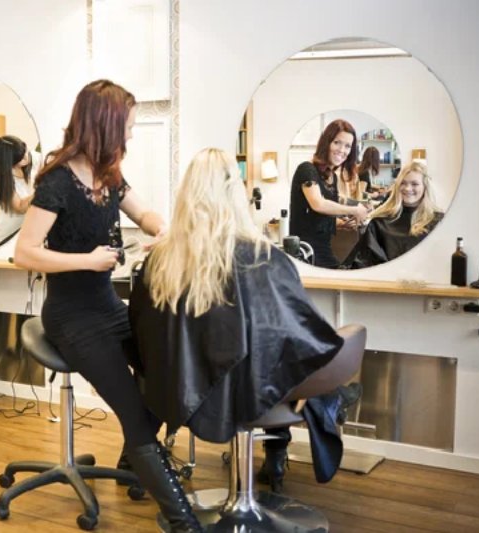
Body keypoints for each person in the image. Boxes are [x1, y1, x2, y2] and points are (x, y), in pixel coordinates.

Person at [13, 80, 202, 532]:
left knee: (167, 378)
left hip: (109, 308)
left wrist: (163, 230)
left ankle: (133, 462)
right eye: (129, 127)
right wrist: (89, 260)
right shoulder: (56, 182)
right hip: (72, 317)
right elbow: (25, 252)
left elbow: (145, 213)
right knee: (136, 416)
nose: (131, 136)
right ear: (105, 126)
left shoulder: (110, 176)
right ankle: (183, 522)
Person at [129, 149, 351, 498]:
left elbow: (143, 337)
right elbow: (294, 334)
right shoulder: (264, 258)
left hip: (188, 388)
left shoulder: (160, 260)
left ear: (186, 195)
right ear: (236, 193)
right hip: (256, 388)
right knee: (291, 355)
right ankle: (279, 452)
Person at [289, 119, 370, 268]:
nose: (342, 150)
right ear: (327, 143)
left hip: (323, 249)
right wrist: (355, 210)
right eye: (337, 142)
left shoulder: (332, 177)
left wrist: (341, 224)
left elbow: (318, 220)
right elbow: (318, 204)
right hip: (307, 253)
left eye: (347, 146)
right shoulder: (307, 169)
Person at [342, 160, 444, 269]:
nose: (407, 188)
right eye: (403, 183)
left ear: (425, 187)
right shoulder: (380, 223)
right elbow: (363, 264)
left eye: (414, 184)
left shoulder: (438, 222)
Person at [0, 135, 38, 244]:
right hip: (8, 235)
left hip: (27, 231)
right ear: (9, 161)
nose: (27, 157)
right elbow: (20, 207)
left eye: (26, 151)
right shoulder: (2, 179)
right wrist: (42, 190)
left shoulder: (28, 157)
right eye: (21, 158)